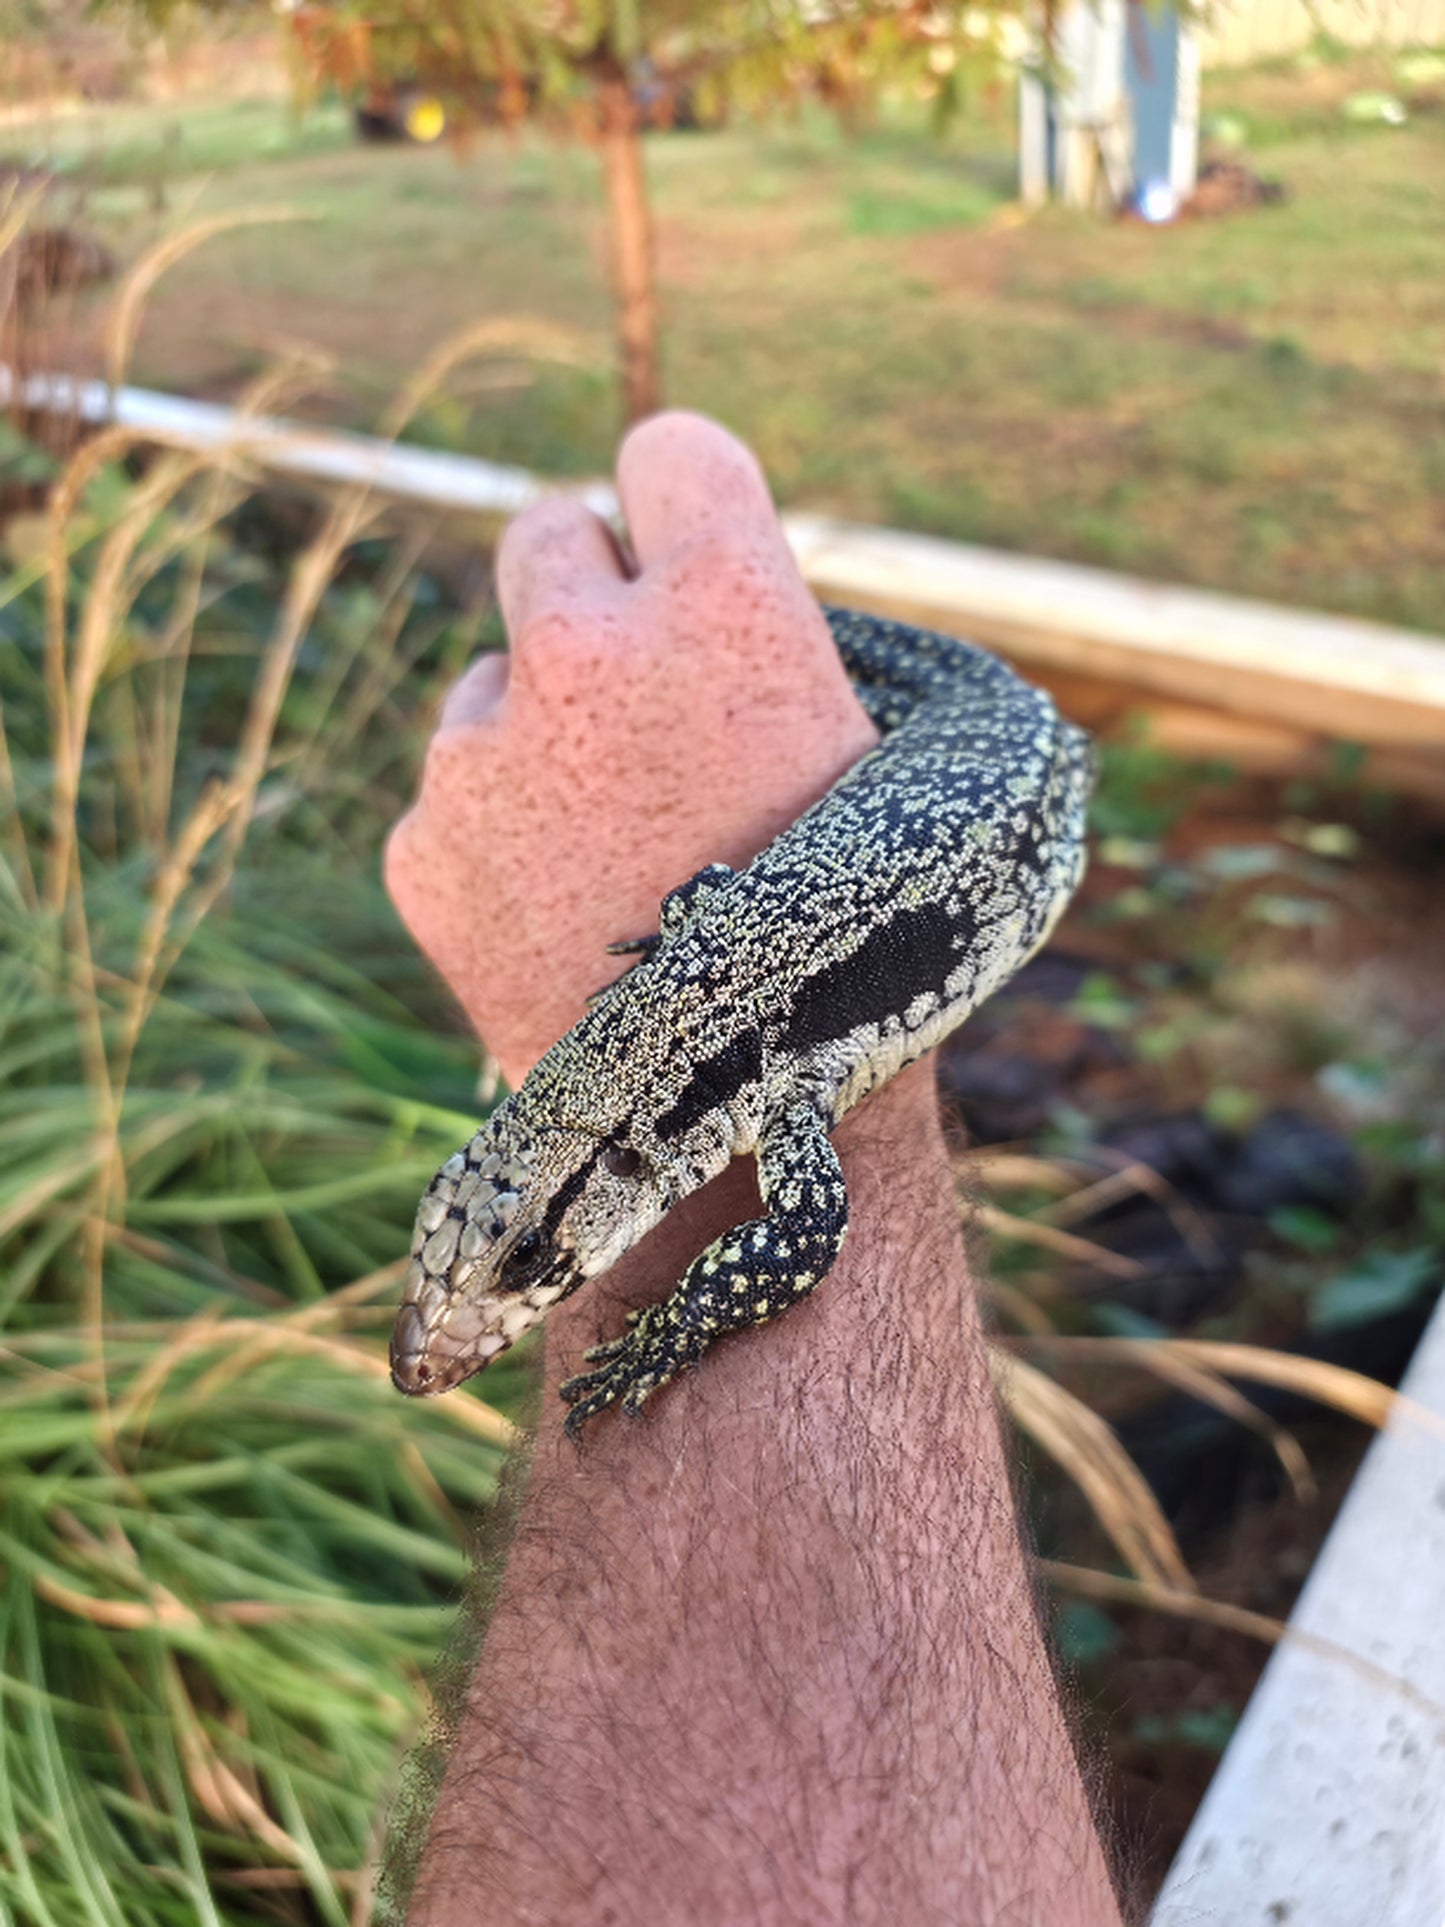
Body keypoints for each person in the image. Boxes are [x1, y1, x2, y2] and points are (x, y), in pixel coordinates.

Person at [385, 412, 1123, 1925]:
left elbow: (802, 1244)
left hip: (1018, 776)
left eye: (521, 1268)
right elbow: (723, 915)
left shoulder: (767, 1080)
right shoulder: (728, 1074)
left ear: (608, 1166)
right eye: (493, 1270)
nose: (463, 1331)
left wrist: (660, 1337)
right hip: (946, 764)